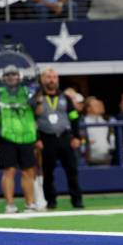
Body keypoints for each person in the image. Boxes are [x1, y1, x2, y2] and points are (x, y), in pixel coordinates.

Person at [0, 65, 38, 213]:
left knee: (28, 172)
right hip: (7, 136)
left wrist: (39, 98)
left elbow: (38, 110)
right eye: (8, 75)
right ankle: (10, 205)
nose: (11, 77)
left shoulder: (28, 92)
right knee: (9, 171)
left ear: (19, 76)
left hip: (27, 136)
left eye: (14, 74)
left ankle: (30, 204)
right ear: (3, 78)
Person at [35, 67, 83, 209]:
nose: (52, 80)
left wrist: (76, 137)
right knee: (48, 172)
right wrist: (36, 139)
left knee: (72, 171)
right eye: (49, 77)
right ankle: (51, 201)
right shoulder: (37, 98)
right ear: (42, 79)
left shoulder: (65, 98)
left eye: (54, 77)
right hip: (46, 138)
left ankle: (77, 200)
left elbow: (74, 118)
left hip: (65, 137)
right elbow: (32, 119)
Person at [83, 96, 112, 165]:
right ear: (88, 108)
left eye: (99, 105)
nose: (99, 106)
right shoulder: (84, 122)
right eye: (96, 105)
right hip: (90, 161)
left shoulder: (105, 122)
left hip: (106, 158)